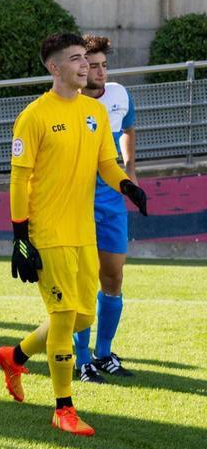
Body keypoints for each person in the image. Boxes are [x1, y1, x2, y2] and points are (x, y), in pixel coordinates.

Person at [0, 33, 148, 436]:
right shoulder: (34, 116)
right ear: (54, 67)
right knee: (63, 317)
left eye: (86, 59)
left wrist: (126, 186)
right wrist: (20, 236)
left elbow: (106, 163)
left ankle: (14, 356)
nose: (85, 66)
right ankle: (64, 407)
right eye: (76, 59)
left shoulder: (93, 113)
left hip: (84, 232)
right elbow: (18, 179)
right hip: (47, 232)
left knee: (82, 316)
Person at [73, 35, 139, 381]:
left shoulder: (120, 95)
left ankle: (103, 353)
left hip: (111, 196)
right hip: (78, 198)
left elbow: (128, 128)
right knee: (81, 279)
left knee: (113, 275)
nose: (97, 71)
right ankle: (80, 357)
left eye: (102, 65)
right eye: (90, 64)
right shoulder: (66, 102)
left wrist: (130, 172)